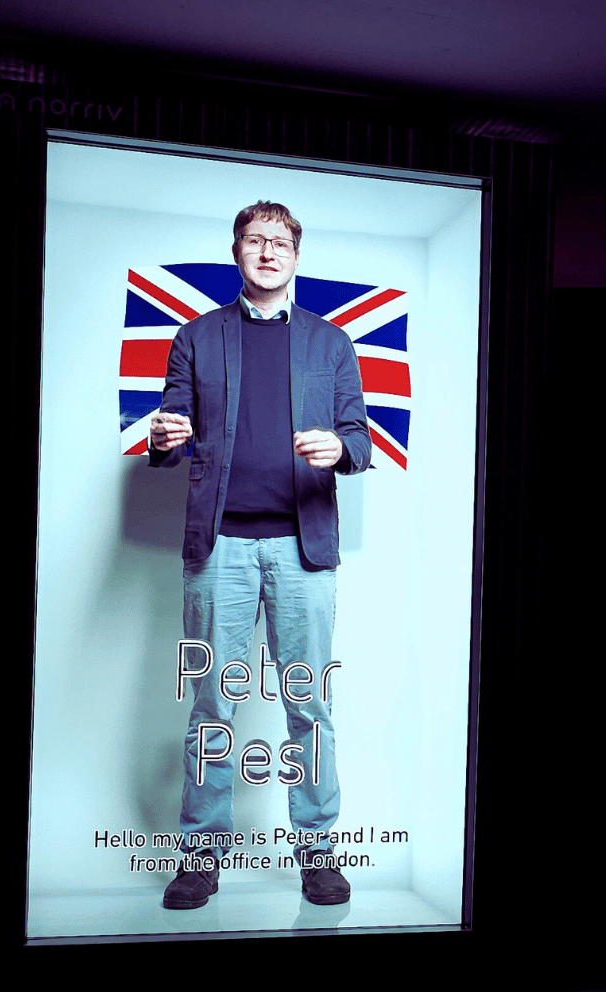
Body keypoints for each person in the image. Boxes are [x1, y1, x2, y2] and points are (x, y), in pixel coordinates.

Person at [147, 200, 372, 908]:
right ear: (237, 253)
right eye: (254, 240)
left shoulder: (330, 342)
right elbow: (170, 430)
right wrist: (163, 438)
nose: (267, 251)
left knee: (308, 703)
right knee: (212, 703)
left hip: (303, 551)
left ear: (296, 256)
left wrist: (340, 448)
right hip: (220, 549)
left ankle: (317, 854)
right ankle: (200, 856)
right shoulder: (196, 336)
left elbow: (360, 439)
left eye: (279, 242)